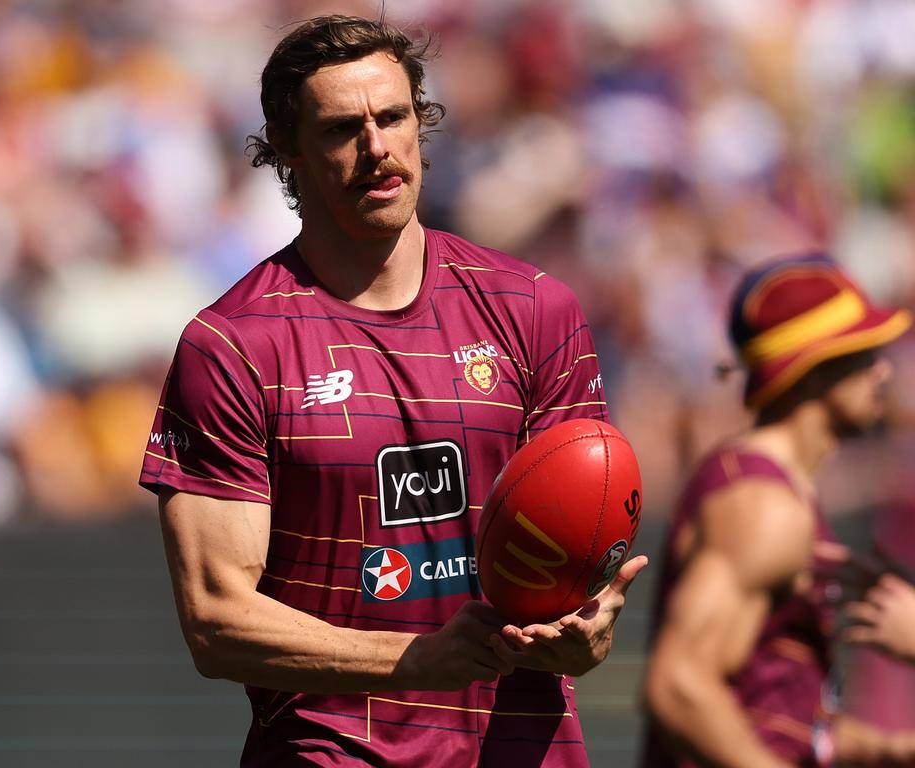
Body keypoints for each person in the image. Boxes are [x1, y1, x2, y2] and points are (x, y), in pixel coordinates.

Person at [139, 14, 646, 767]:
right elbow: (217, 622)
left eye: (394, 117)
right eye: (344, 128)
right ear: (286, 147)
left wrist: (587, 627)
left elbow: (581, 545)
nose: (377, 148)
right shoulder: (234, 346)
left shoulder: (536, 307)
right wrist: (416, 660)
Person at [641, 253, 915, 768]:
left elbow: (776, 719)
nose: (883, 371)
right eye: (862, 354)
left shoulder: (778, 493)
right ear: (810, 372)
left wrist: (890, 750)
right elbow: (678, 687)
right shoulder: (764, 507)